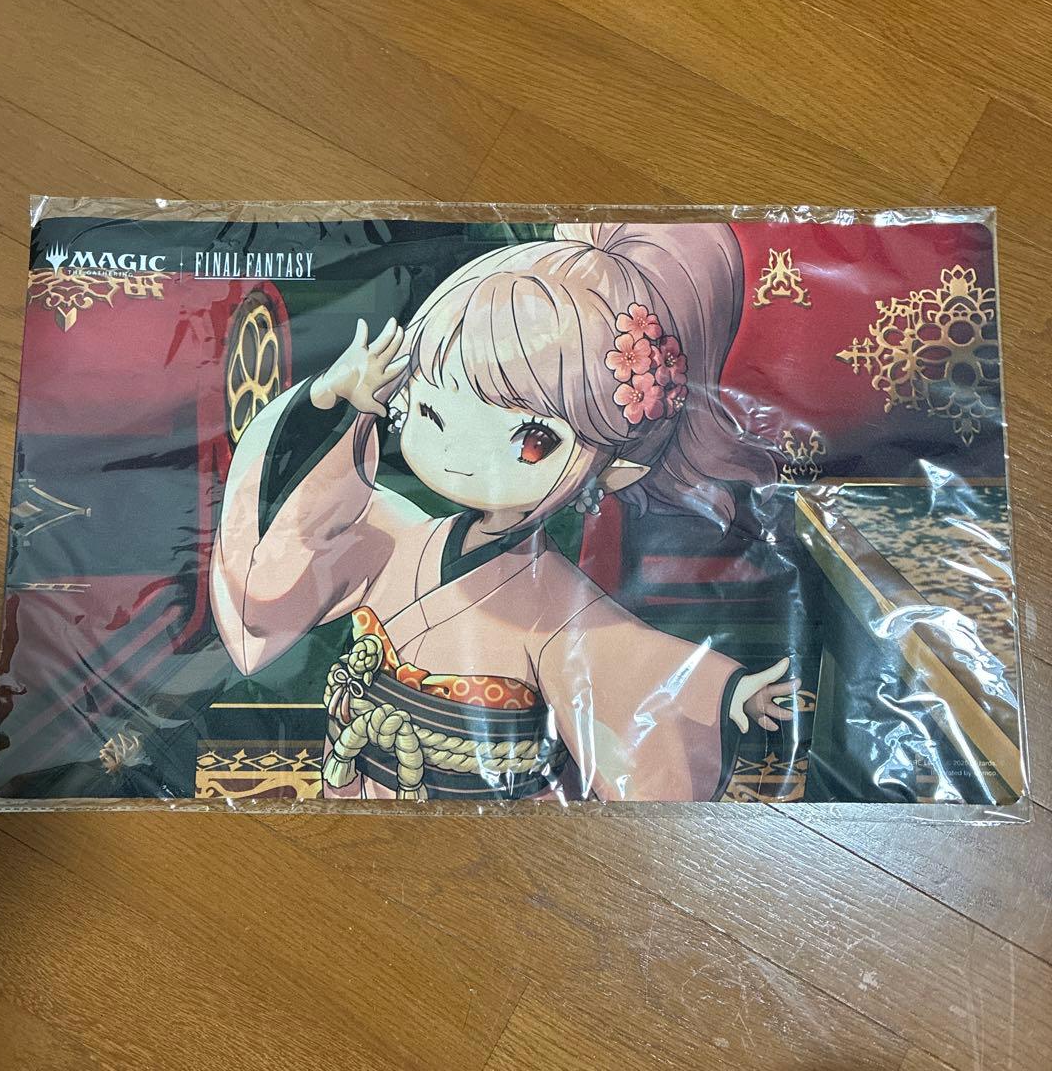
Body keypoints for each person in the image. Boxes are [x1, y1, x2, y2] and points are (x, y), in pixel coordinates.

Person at [211, 222, 797, 802]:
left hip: (481, 820)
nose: (462, 458)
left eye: (533, 442)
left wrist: (725, 693)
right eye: (432, 413)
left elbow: (630, 663)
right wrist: (327, 401)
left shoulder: (554, 601)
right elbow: (291, 558)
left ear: (616, 470)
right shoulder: (396, 536)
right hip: (359, 786)